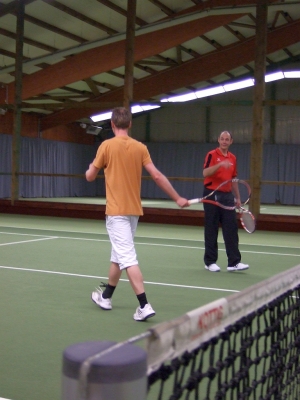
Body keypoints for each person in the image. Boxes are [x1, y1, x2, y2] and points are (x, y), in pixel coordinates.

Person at [85, 107, 189, 321]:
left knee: (128, 258)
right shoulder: (140, 148)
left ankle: (144, 305)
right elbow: (158, 176)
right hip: (133, 213)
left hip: (116, 214)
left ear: (113, 125)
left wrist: (90, 168)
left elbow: (89, 177)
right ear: (130, 124)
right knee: (119, 256)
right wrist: (177, 198)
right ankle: (106, 297)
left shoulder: (105, 146)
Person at [202, 131, 249, 273]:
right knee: (211, 228)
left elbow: (233, 180)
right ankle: (210, 262)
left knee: (231, 229)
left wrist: (238, 198)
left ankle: (234, 263)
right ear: (218, 140)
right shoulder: (211, 155)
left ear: (231, 141)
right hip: (211, 194)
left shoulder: (233, 158)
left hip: (227, 196)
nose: (224, 141)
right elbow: (205, 173)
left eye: (227, 139)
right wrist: (220, 164)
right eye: (222, 139)